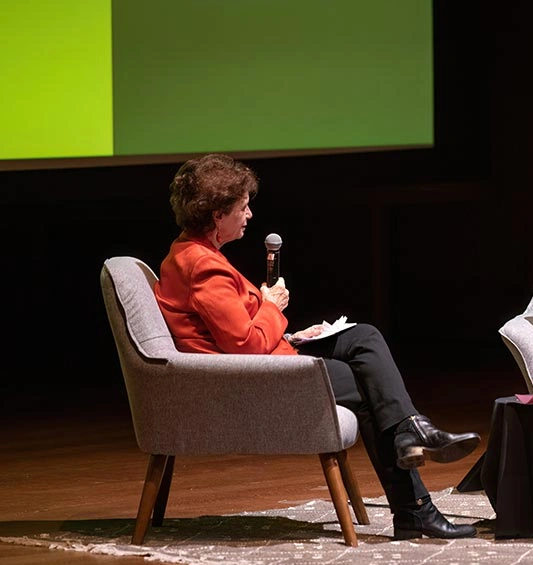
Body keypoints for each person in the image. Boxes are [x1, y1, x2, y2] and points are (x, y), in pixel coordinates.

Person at [154, 153, 480, 540]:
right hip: (249, 382)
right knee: (369, 388)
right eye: (243, 207)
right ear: (215, 216)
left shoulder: (193, 254)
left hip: (265, 362)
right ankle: (414, 503)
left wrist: (291, 336)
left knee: (364, 337)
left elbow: (234, 335)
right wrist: (272, 306)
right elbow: (246, 345)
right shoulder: (202, 267)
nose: (250, 215)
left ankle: (412, 432)